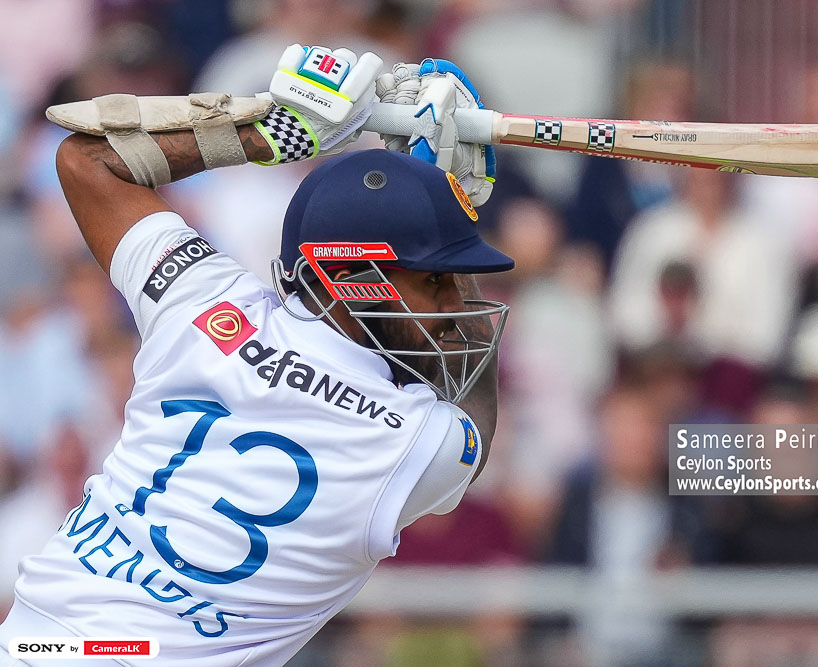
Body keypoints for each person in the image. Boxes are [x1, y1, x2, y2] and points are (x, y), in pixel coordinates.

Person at [0, 45, 511, 666]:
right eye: (436, 281)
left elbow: (86, 162)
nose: (457, 304)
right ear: (350, 280)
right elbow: (470, 411)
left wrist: (275, 134)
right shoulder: (416, 441)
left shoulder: (200, 299)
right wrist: (448, 201)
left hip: (36, 641)